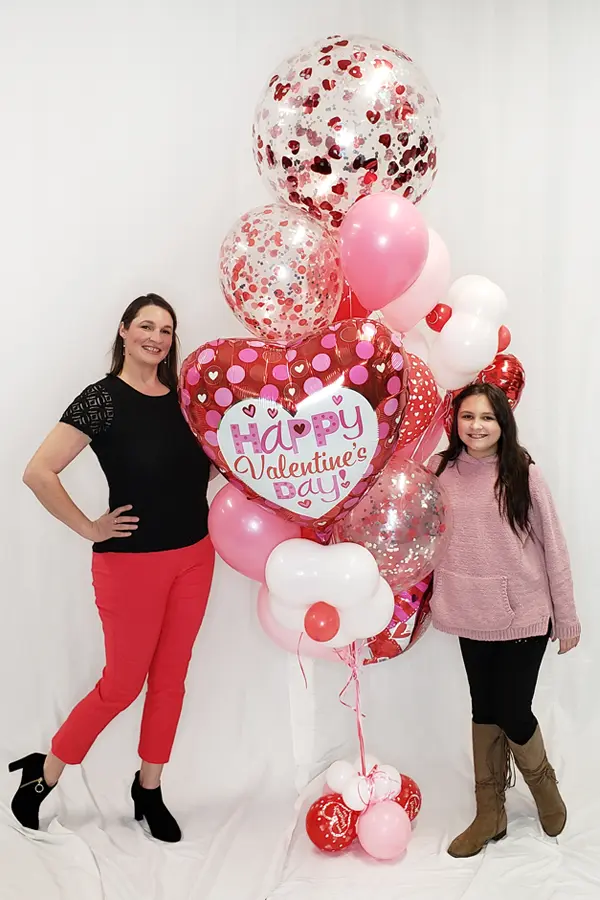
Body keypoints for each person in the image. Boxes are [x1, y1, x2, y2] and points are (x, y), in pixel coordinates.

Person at [10, 294, 214, 842]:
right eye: (146, 326)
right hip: (130, 566)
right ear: (124, 331)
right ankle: (46, 770)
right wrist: (89, 527)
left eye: (166, 330)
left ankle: (149, 789)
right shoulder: (101, 400)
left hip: (195, 557)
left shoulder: (187, 399)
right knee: (122, 685)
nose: (156, 338)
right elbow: (38, 472)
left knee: (170, 681)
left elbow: (200, 469)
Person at [430, 383, 580, 859]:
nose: (476, 426)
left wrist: (566, 616)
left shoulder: (523, 473)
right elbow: (422, 533)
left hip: (524, 613)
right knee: (484, 709)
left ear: (503, 423)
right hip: (468, 610)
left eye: (487, 418)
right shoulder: (439, 470)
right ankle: (489, 813)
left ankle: (543, 784)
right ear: (455, 421)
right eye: (467, 416)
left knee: (513, 709)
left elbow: (554, 546)